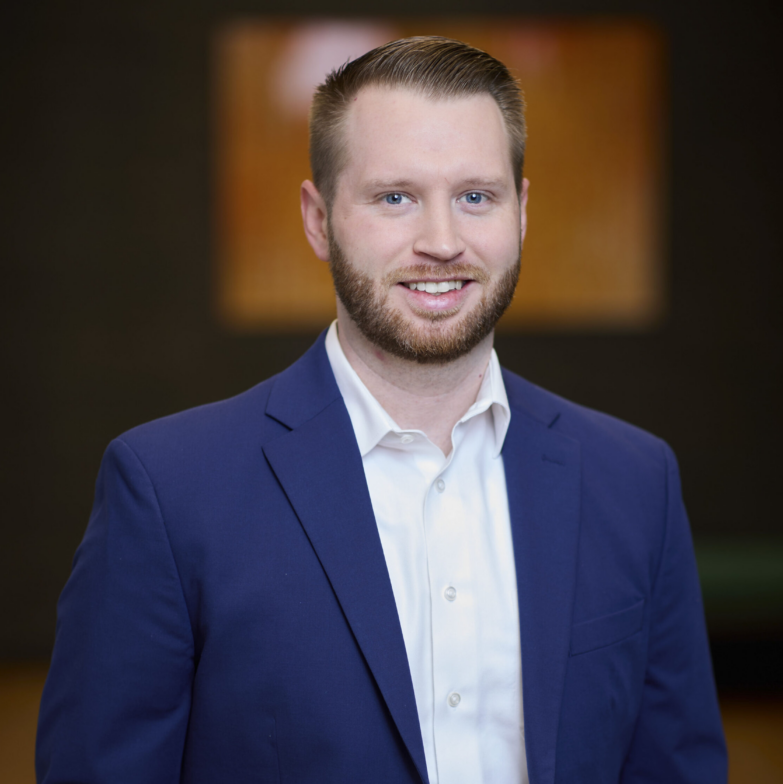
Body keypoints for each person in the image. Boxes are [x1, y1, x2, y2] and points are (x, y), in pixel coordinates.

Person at [36, 36, 727, 784]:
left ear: (521, 213)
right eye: (394, 197)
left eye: (475, 196)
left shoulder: (634, 481)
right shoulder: (168, 493)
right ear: (317, 217)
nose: (441, 241)